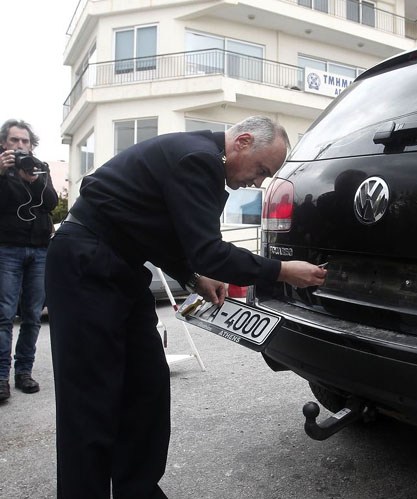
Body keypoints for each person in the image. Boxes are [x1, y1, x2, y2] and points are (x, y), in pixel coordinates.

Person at [45, 116, 326, 499]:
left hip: (121, 265)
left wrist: (193, 277)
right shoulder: (197, 159)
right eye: (262, 170)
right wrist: (281, 271)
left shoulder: (196, 157)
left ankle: (138, 490)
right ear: (242, 141)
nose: (258, 182)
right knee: (89, 400)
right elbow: (207, 249)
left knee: (147, 386)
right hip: (87, 263)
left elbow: (157, 229)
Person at [0, 119, 58, 402]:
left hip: (39, 250)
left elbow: (50, 203)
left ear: (31, 144)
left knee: (33, 315)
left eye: (25, 141)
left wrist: (35, 181)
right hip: (7, 249)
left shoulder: (40, 167)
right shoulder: (1, 169)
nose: (20, 146)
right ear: (4, 144)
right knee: (4, 315)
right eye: (14, 141)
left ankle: (24, 372)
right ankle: (1, 378)